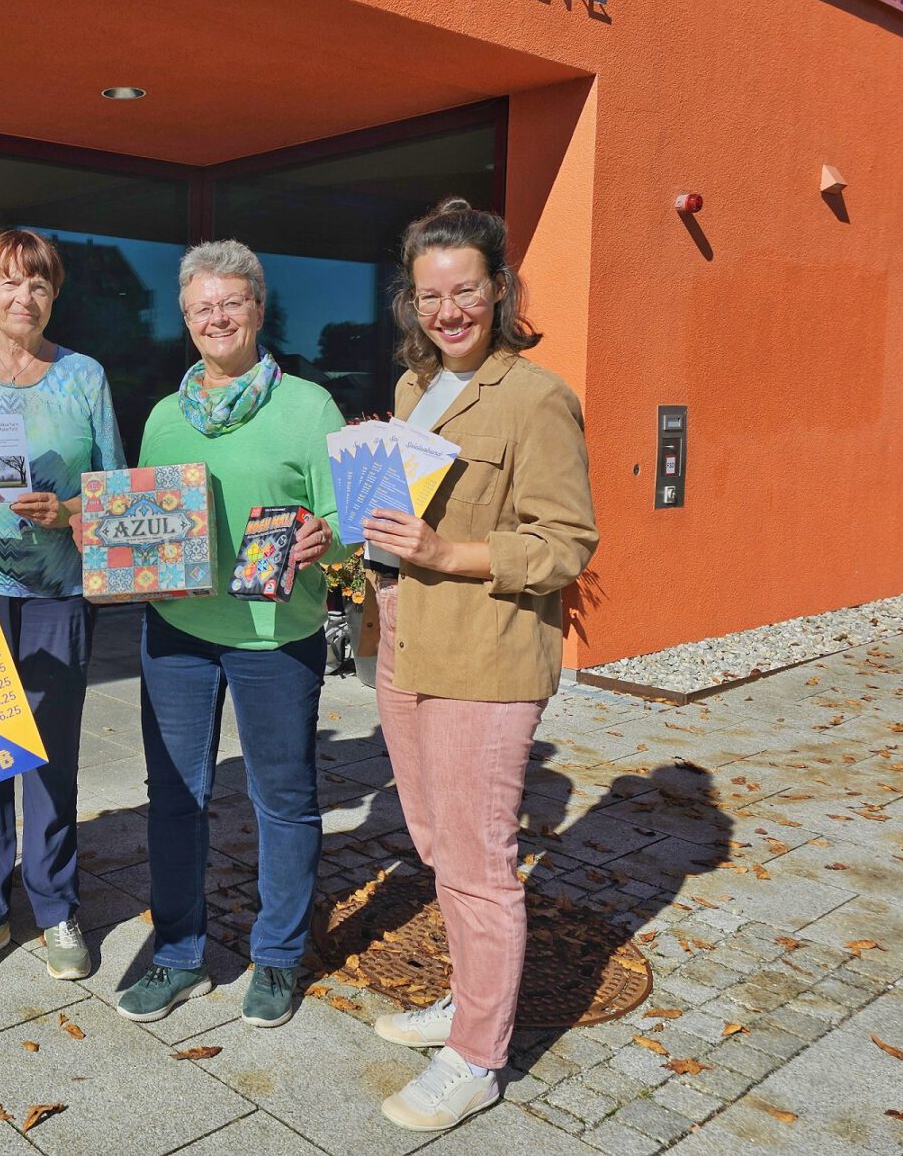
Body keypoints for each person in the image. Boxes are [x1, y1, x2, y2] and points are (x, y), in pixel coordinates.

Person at [362, 197, 597, 1132]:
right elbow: (401, 522)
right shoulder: (418, 391)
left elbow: (567, 543)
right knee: (435, 844)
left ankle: (478, 1058)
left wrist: (444, 554)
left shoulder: (536, 397)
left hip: (487, 659)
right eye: (430, 296)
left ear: (499, 290)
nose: (448, 310)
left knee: (479, 865)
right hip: (409, 646)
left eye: (466, 291)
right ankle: (468, 1003)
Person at [117, 239, 341, 1030]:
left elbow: (347, 518)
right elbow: (146, 521)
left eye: (231, 302)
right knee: (176, 800)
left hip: (276, 636)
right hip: (177, 632)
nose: (217, 317)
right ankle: (179, 954)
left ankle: (277, 958)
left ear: (257, 309)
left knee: (282, 799)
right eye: (202, 306)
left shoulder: (309, 407)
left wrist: (326, 535)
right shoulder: (162, 417)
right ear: (186, 318)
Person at [0, 229, 124, 983]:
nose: (23, 298)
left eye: (38, 284)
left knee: (47, 756)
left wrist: (67, 510)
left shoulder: (84, 378)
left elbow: (116, 489)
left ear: (54, 294)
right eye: (7, 283)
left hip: (57, 594)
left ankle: (55, 905)